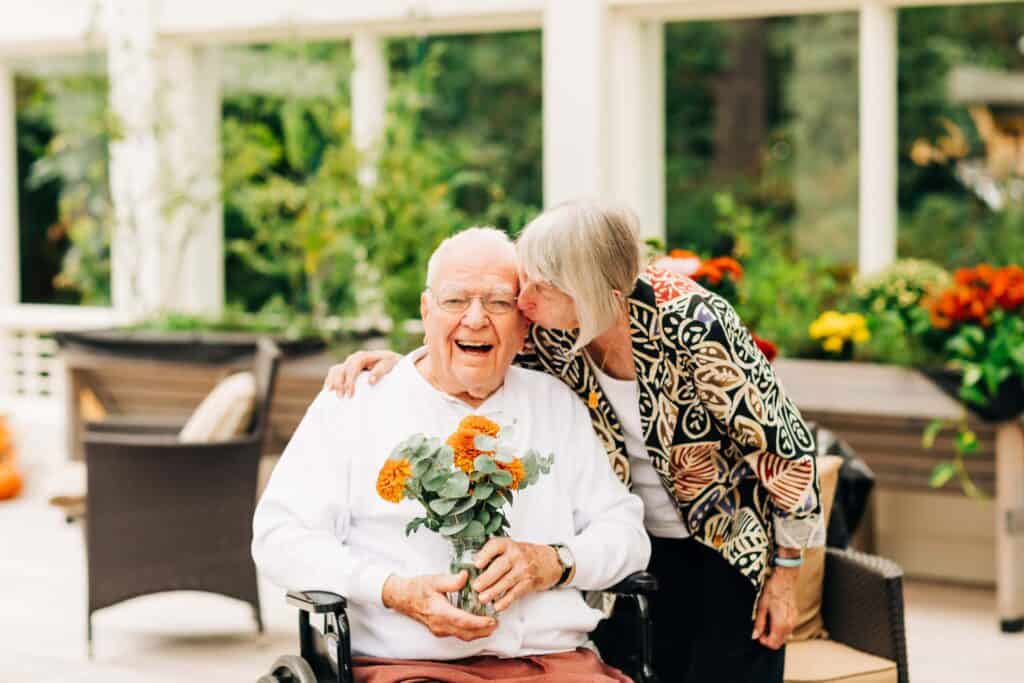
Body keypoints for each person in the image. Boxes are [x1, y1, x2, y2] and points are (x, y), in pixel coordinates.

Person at [325, 200, 824, 683]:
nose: (523, 301)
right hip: (636, 546)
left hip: (725, 540)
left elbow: (788, 453)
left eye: (540, 288)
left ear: (590, 292)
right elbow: (470, 346)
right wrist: (401, 365)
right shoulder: (554, 331)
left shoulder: (696, 328)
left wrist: (786, 575)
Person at [253, 227, 649, 683]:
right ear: (426, 312)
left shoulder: (555, 403)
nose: (476, 319)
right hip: (410, 668)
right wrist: (390, 590)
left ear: (524, 324)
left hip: (555, 664)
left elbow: (625, 535)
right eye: (455, 300)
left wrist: (554, 562)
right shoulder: (356, 402)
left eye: (499, 302)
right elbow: (278, 537)